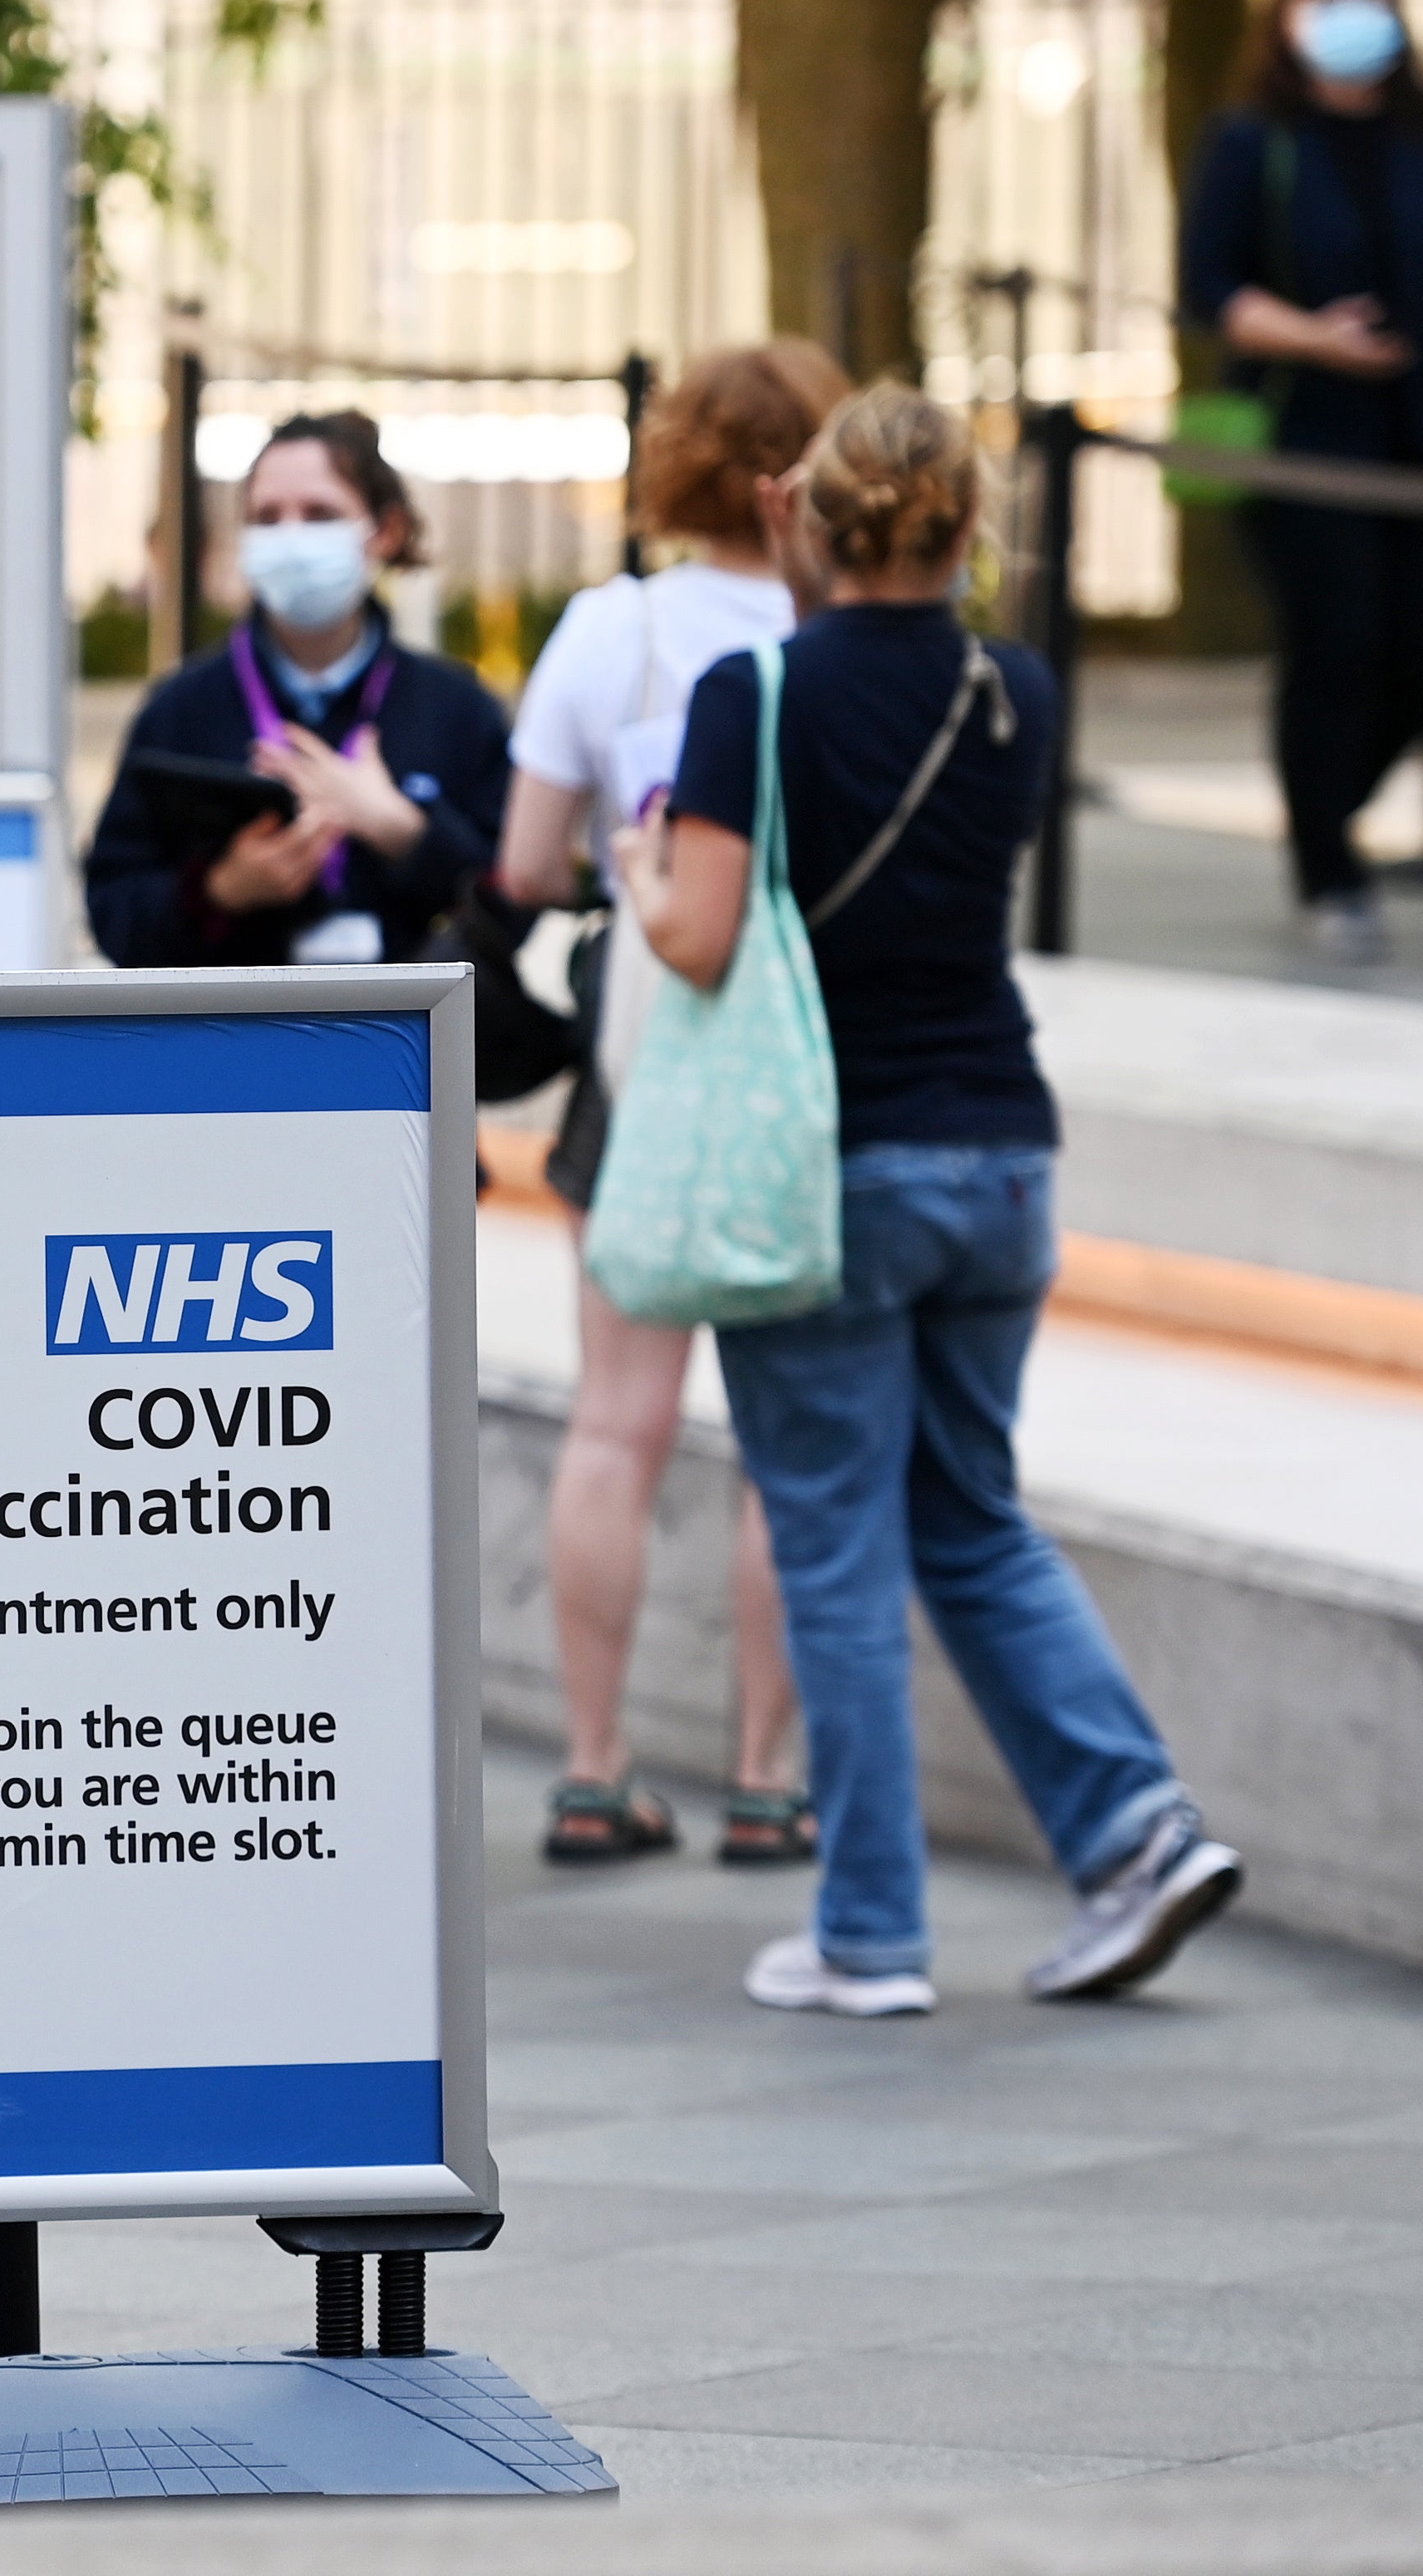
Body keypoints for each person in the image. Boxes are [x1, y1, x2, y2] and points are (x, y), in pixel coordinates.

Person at [613, 387, 1244, 2018]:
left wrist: (633, 870)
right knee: (973, 1516)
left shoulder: (746, 688)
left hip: (830, 1172)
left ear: (801, 521)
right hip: (1000, 1155)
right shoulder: (1015, 690)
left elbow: (693, 936)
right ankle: (1135, 1826)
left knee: (832, 1543)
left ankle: (870, 1931)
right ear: (970, 529)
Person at [497, 342, 842, 1869]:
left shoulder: (606, 632)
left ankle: (593, 1764)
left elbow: (520, 862)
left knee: (615, 1421)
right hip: (791, 1075)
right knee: (788, 1442)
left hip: (635, 1067)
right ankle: (767, 1777)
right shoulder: (837, 641)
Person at [1179, 0, 1423, 968]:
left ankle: (1329, 804)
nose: (1352, 13)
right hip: (1307, 442)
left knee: (1418, 658)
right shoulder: (1253, 142)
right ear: (1287, 17)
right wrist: (1315, 337)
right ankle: (1326, 860)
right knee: (1335, 648)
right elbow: (1212, 285)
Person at [83, 412, 511, 973]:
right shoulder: (181, 710)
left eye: (320, 515)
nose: (291, 538)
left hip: (417, 1050)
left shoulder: (458, 709)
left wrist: (405, 833)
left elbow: (517, 901)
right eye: (266, 517)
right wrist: (219, 891)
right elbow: (114, 908)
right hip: (232, 1045)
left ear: (386, 530)